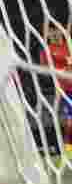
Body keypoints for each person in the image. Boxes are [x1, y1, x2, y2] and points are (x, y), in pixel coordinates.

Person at [40, 20, 72, 153]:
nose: (55, 35)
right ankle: (69, 148)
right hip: (66, 90)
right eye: (51, 33)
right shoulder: (47, 51)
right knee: (70, 120)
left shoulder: (68, 45)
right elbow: (44, 68)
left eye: (57, 32)